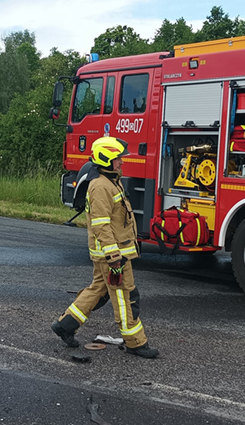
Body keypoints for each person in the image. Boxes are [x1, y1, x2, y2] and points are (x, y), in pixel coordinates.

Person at [51, 136, 158, 358]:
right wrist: (114, 256)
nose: (122, 161)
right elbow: (101, 225)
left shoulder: (110, 181)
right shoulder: (101, 186)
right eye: (118, 158)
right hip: (113, 255)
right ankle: (136, 342)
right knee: (125, 297)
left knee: (98, 290)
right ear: (106, 159)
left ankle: (65, 325)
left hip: (112, 253)